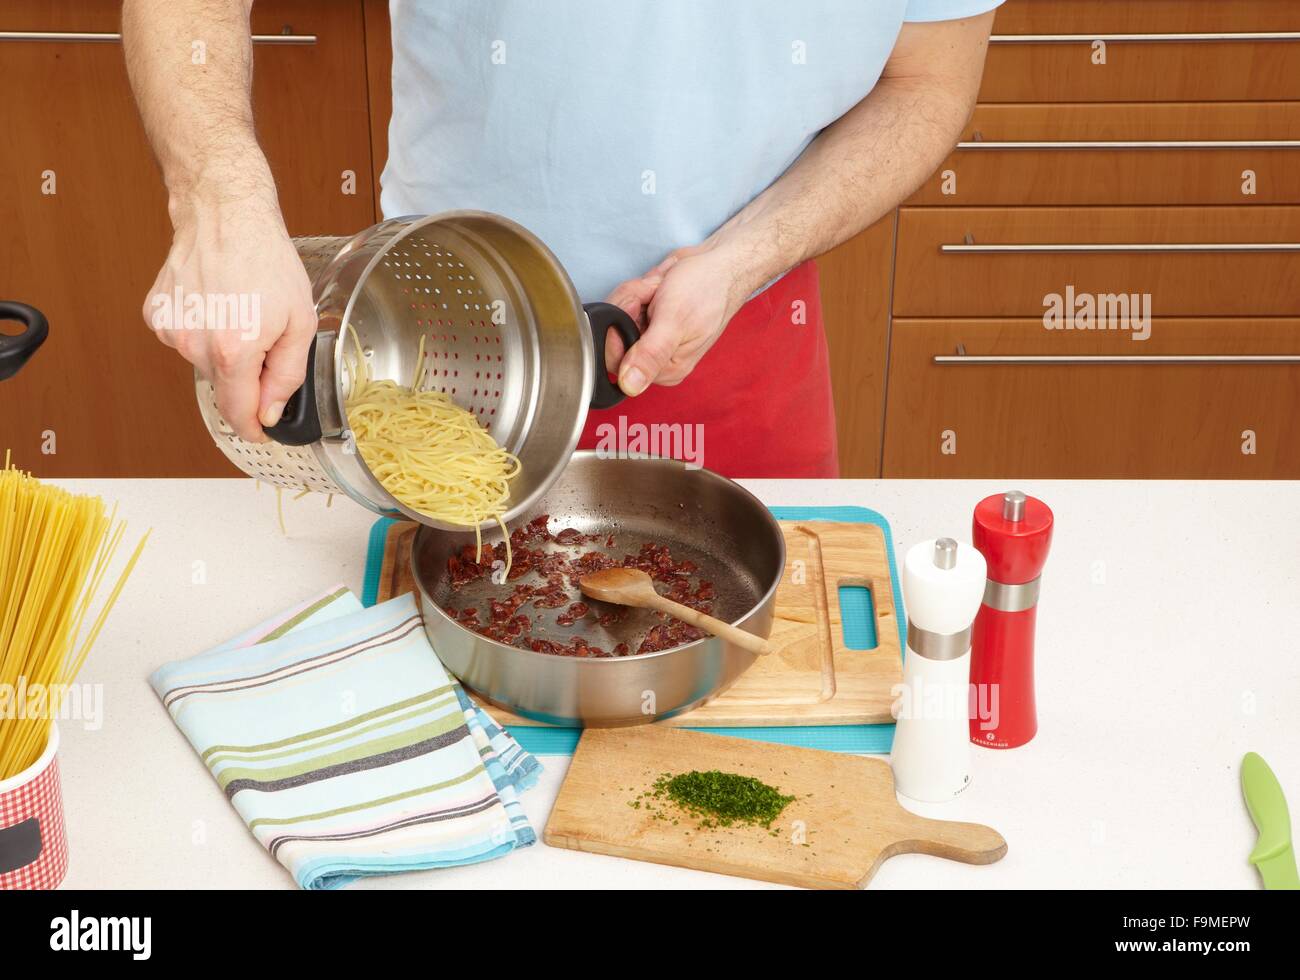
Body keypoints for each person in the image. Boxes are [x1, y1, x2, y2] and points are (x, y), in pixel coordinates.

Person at [124, 0, 1001, 478]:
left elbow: (925, 81)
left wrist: (743, 260)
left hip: (729, 326)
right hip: (433, 341)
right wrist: (220, 199)